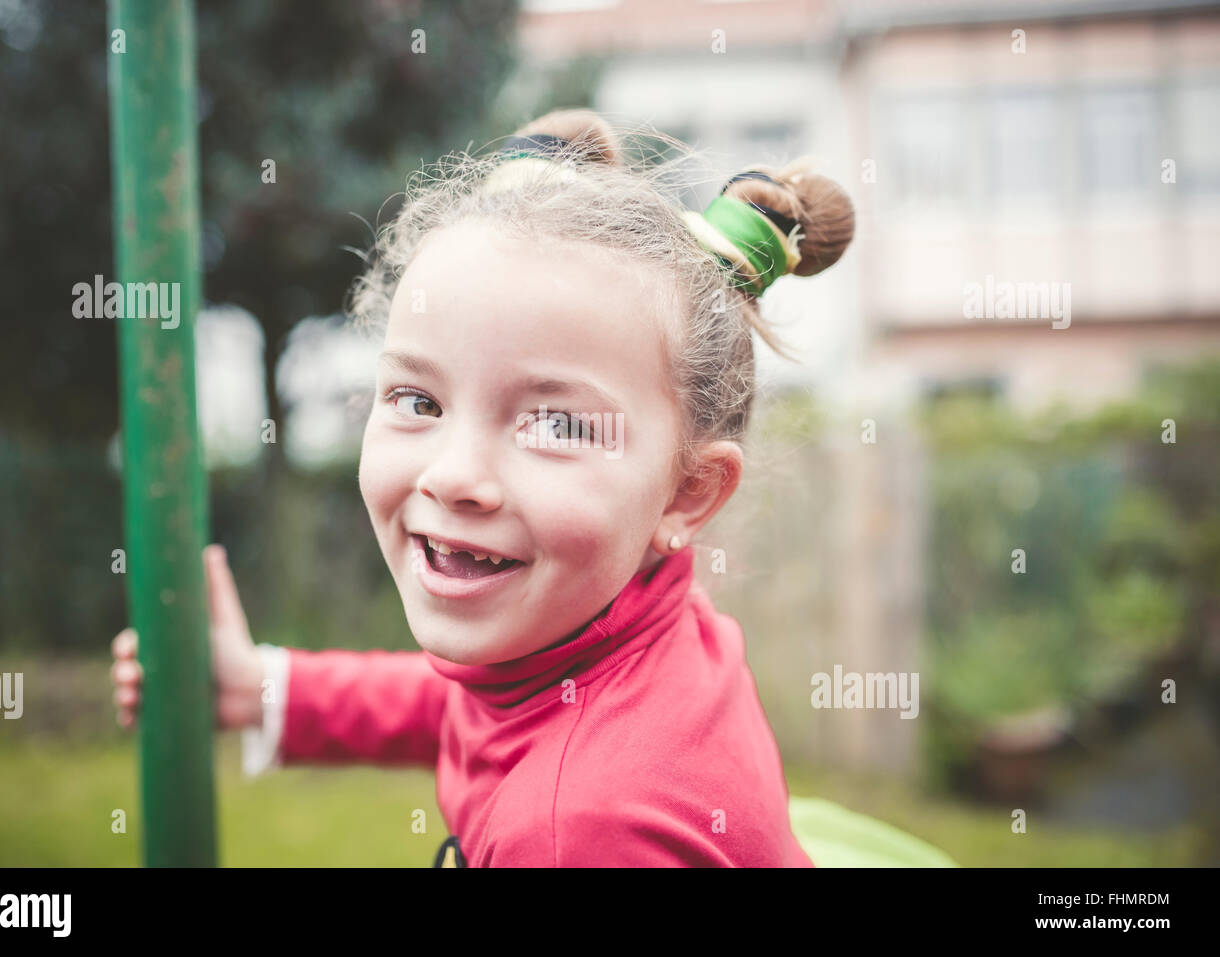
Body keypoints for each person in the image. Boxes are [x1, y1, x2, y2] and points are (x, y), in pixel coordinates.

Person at [112, 108, 860, 866]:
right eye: (419, 402)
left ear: (687, 492)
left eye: (558, 426)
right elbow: (477, 703)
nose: (457, 474)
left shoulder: (579, 834)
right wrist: (264, 689)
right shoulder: (617, 631)